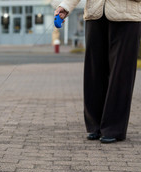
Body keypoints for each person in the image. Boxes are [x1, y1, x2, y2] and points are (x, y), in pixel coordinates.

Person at [55, 0, 141, 143]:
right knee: (94, 72)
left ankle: (114, 128)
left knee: (120, 73)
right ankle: (94, 125)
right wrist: (65, 7)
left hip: (127, 17)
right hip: (95, 15)